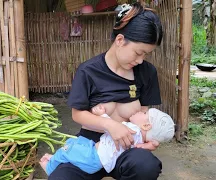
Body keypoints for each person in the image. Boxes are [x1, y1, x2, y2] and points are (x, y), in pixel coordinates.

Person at [47, 2, 165, 180]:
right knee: (61, 177)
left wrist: (148, 138)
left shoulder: (147, 73)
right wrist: (111, 125)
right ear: (120, 40)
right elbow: (77, 114)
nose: (141, 60)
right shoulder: (89, 71)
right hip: (90, 148)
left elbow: (144, 114)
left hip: (127, 149)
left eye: (146, 55)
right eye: (138, 53)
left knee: (146, 166)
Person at [39, 105, 175, 176]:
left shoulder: (132, 130)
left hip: (92, 158)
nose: (140, 111)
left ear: (146, 125)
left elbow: (111, 127)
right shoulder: (139, 139)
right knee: (73, 144)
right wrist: (152, 143)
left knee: (66, 151)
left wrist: (101, 115)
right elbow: (145, 145)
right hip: (95, 152)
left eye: (144, 114)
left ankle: (50, 167)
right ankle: (56, 160)